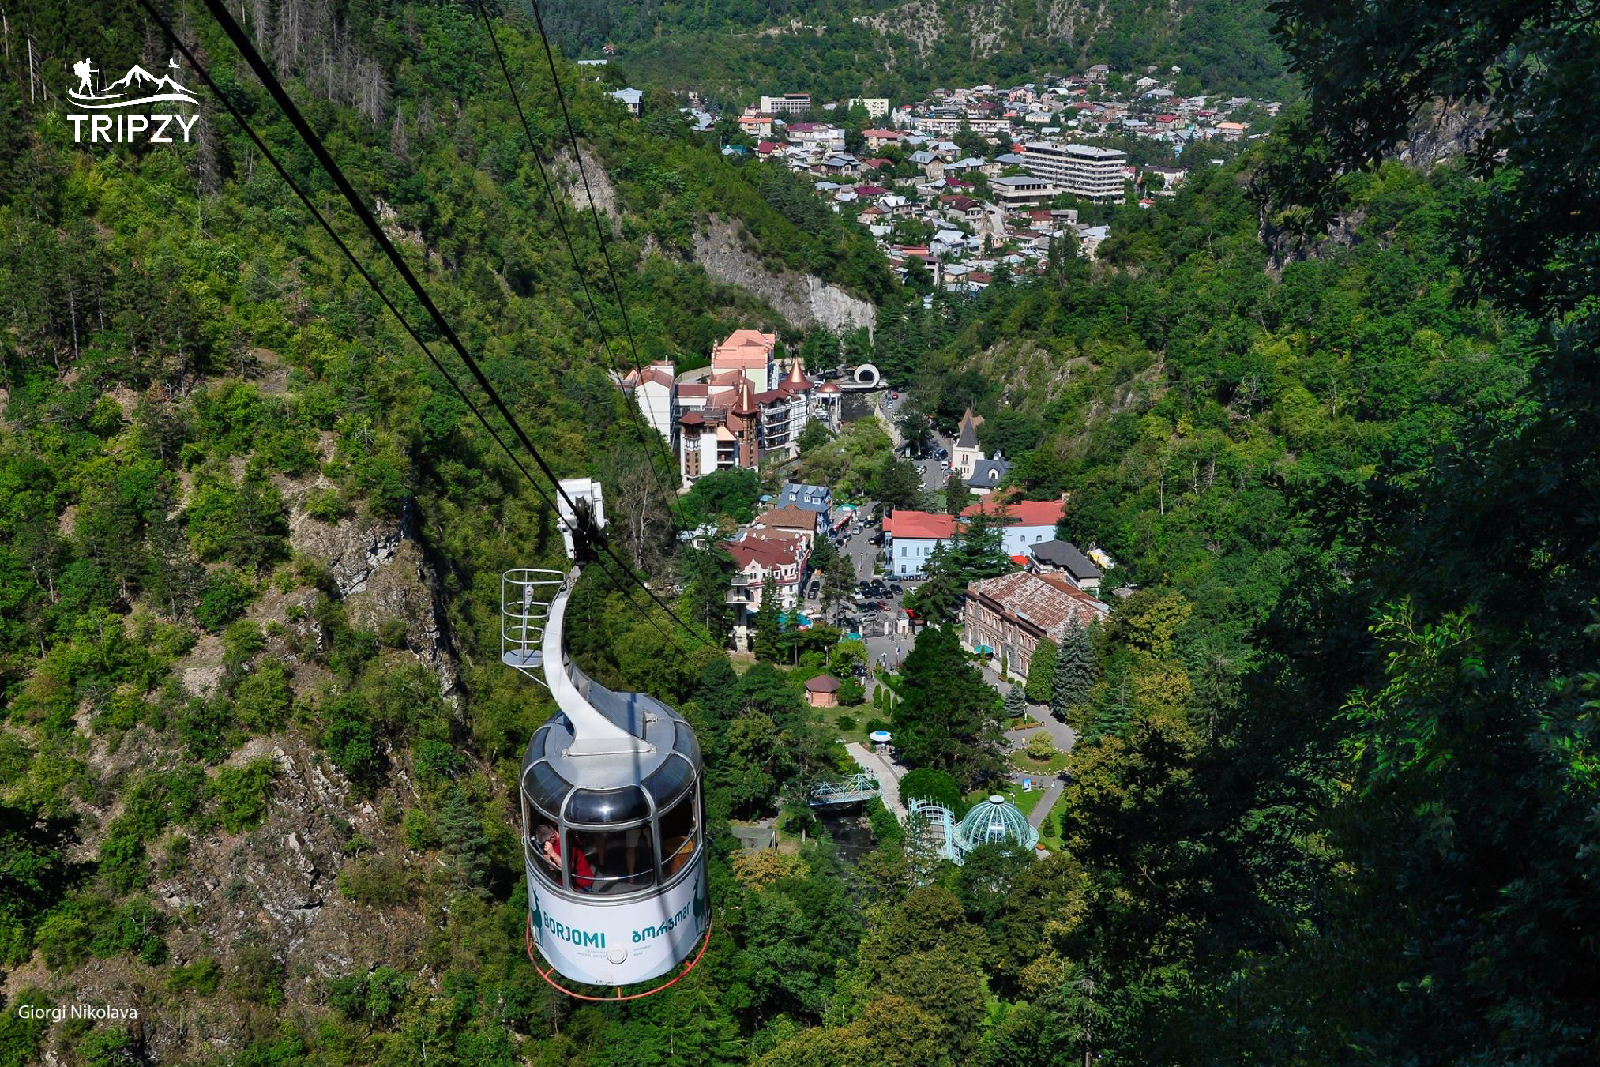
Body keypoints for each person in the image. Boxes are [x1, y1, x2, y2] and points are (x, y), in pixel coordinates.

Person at [535, 825, 594, 891]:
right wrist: (548, 860)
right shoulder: (550, 845)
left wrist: (552, 854)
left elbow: (567, 869)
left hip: (581, 883)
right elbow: (552, 868)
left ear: (553, 836)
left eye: (544, 843)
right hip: (563, 883)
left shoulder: (567, 842)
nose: (544, 846)